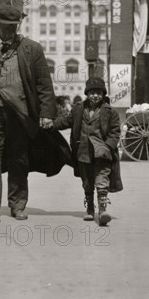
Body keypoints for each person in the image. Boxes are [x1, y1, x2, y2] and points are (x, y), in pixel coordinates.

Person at [0, 4, 66, 225]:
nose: (10, 30)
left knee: (19, 161)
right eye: (5, 26)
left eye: (13, 26)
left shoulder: (32, 49)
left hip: (21, 116)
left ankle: (17, 204)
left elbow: (43, 84)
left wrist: (47, 113)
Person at [53, 77, 123, 226]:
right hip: (83, 153)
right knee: (87, 182)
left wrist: (108, 146)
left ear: (103, 94)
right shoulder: (78, 109)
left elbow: (115, 131)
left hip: (102, 154)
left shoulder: (110, 112)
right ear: (87, 93)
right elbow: (65, 121)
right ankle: (90, 209)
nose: (95, 96)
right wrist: (50, 124)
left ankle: (103, 210)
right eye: (92, 92)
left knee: (101, 181)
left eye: (98, 92)